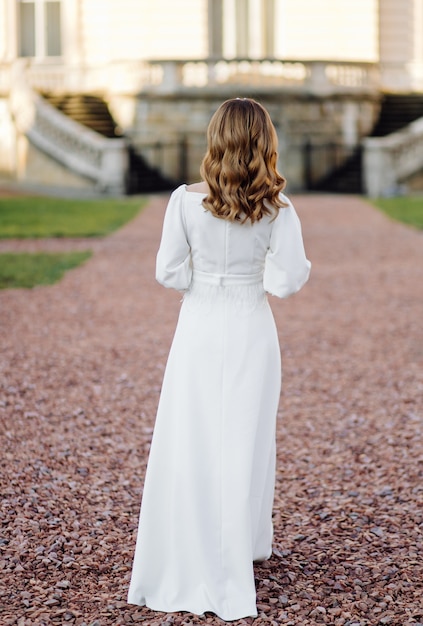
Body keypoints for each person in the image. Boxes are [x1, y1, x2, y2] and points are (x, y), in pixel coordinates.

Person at [127, 98, 311, 621]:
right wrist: (256, 278)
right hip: (251, 325)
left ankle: (187, 539)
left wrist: (203, 282)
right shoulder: (279, 208)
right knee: (246, 436)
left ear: (215, 139)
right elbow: (288, 279)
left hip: (200, 326)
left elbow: (167, 271)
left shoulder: (184, 202)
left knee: (192, 433)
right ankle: (241, 541)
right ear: (265, 143)